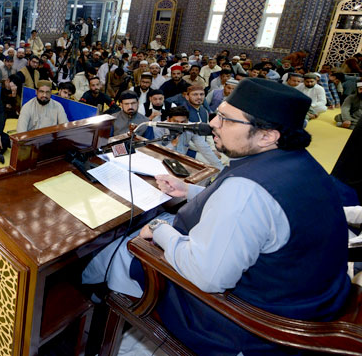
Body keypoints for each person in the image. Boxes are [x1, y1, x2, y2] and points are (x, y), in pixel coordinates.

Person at [83, 78, 351, 355]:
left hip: (251, 324)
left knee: (118, 248)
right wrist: (190, 190)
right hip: (309, 298)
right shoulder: (300, 163)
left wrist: (159, 229)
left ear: (267, 135)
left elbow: (207, 276)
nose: (213, 123)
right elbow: (256, 212)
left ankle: (90, 306)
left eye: (226, 119)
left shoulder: (246, 192)